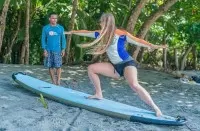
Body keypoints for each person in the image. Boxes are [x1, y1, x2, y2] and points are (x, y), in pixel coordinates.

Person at [65, 13, 166, 117]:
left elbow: (137, 41)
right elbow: (86, 32)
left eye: (102, 21)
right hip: (114, 66)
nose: (100, 23)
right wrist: (72, 32)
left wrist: (151, 45)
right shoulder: (100, 34)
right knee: (91, 68)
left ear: (108, 22)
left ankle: (155, 108)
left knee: (134, 85)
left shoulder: (121, 34)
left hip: (127, 63)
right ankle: (99, 94)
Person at [41, 12, 66, 85]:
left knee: (58, 66)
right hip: (48, 50)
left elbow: (63, 39)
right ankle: (53, 81)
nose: (54, 20)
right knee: (50, 66)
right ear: (49, 19)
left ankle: (58, 81)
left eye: (56, 18)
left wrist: (63, 49)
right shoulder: (46, 28)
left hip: (57, 50)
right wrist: (44, 49)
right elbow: (43, 39)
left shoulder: (60, 28)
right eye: (53, 18)